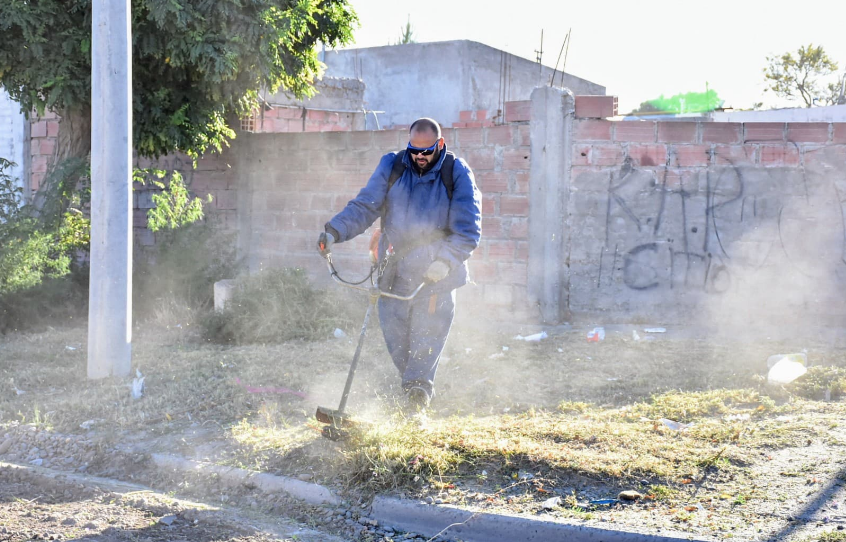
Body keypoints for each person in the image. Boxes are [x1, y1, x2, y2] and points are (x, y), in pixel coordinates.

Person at [317, 118, 482, 410]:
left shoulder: (456, 172)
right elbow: (365, 206)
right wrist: (334, 231)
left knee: (425, 343)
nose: (420, 156)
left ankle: (416, 401)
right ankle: (411, 392)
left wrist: (445, 262)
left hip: (435, 277)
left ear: (440, 144)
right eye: (414, 150)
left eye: (427, 151)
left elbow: (467, 230)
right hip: (393, 271)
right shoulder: (392, 165)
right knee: (398, 343)